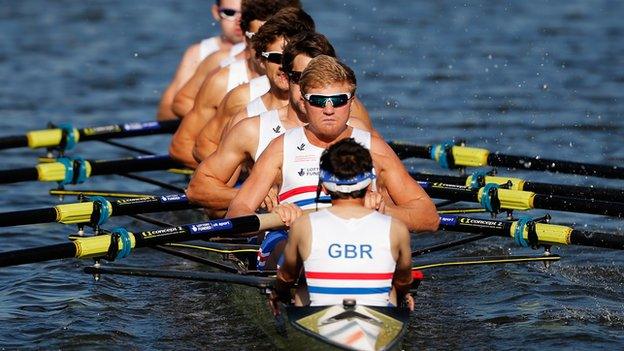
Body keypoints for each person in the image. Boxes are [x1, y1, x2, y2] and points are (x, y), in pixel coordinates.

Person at [226, 55, 439, 270]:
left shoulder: (374, 148)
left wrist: (380, 211)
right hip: (289, 239)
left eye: (338, 100)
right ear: (304, 101)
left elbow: (429, 217)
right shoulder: (280, 147)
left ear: (351, 101)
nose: (329, 110)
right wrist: (275, 217)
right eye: (319, 101)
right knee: (295, 250)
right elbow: (237, 213)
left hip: (357, 239)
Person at [186, 32, 372, 211]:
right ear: (286, 76)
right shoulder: (252, 128)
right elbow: (198, 189)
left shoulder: (357, 125)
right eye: (301, 78)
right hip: (277, 232)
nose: (309, 87)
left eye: (319, 79)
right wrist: (251, 197)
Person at [269, 138, 415, 310]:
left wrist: (278, 294)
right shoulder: (396, 228)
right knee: (393, 286)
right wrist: (404, 293)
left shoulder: (303, 226)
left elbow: (286, 277)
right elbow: (404, 280)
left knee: (301, 284)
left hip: (319, 318)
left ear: (323, 186)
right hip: (377, 317)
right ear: (369, 183)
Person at [169, 0, 301, 168]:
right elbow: (182, 144)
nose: (266, 46)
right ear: (246, 37)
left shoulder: (319, 82)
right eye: (260, 38)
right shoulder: (224, 76)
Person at [191, 7, 316, 162]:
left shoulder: (336, 102)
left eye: (290, 59)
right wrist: (244, 174)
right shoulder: (242, 99)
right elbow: (203, 146)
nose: (284, 66)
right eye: (276, 58)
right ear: (261, 59)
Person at [157, 0, 244, 120]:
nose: (239, 20)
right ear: (215, 12)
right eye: (229, 12)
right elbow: (166, 113)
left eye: (247, 13)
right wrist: (217, 122)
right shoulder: (198, 52)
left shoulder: (271, 52)